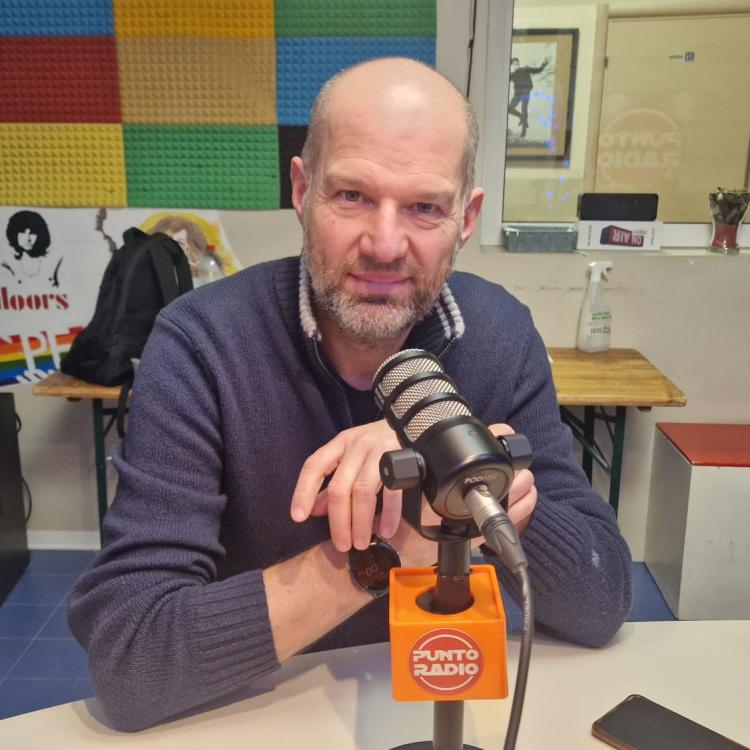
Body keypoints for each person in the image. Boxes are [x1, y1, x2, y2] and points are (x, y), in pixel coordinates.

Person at [68, 57, 632, 732]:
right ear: (302, 190)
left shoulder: (501, 333)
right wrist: (394, 543)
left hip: (442, 708)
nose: (385, 245)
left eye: (425, 207)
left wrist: (478, 485)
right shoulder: (201, 343)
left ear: (466, 217)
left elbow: (603, 598)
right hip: (263, 720)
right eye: (353, 196)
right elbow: (129, 658)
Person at [508, 56, 548, 138]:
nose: (515, 65)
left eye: (516, 63)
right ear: (511, 65)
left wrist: (544, 64)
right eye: (513, 64)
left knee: (524, 109)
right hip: (517, 93)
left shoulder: (525, 69)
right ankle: (522, 118)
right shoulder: (512, 75)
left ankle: (524, 130)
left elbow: (538, 70)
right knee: (509, 109)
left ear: (518, 63)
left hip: (525, 91)